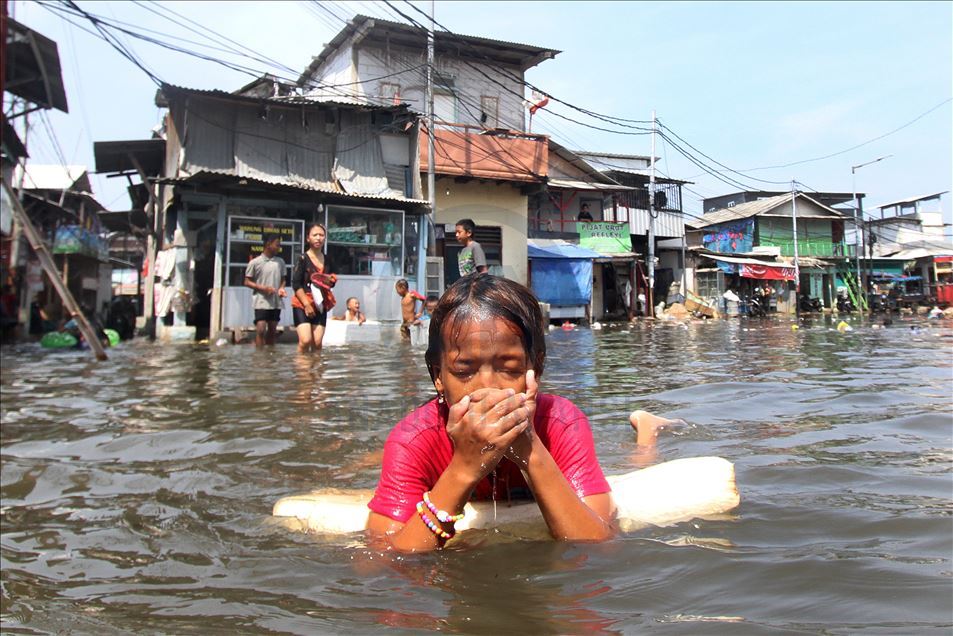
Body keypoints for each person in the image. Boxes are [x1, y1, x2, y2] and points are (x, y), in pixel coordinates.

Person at [368, 274, 644, 552]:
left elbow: (599, 544)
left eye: (510, 368)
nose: (488, 388)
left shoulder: (560, 424)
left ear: (536, 367)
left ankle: (647, 432)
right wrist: (463, 468)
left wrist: (528, 445)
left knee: (640, 459)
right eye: (464, 371)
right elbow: (382, 560)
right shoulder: (412, 440)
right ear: (438, 376)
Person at [291, 223, 336, 352]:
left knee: (317, 343)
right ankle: (302, 370)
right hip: (302, 302)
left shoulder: (328, 260)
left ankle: (316, 370)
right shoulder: (302, 259)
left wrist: (331, 281)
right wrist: (306, 304)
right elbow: (296, 284)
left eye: (321, 235)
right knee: (305, 340)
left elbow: (331, 282)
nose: (318, 238)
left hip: (320, 303)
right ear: (308, 238)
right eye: (314, 235)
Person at [244, 233, 287, 346]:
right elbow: (247, 281)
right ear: (268, 245)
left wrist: (282, 288)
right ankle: (259, 356)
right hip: (261, 300)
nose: (279, 248)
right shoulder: (255, 262)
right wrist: (262, 288)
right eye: (277, 245)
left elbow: (283, 279)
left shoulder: (280, 262)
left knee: (272, 330)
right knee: (261, 329)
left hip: (275, 301)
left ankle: (270, 355)